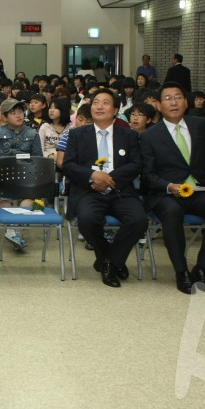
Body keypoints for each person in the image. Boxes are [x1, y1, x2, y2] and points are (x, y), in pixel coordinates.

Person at [140, 81, 205, 294]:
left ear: (186, 102)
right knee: (172, 213)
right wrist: (168, 186)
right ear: (159, 105)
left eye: (178, 97)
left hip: (199, 189)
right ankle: (181, 271)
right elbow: (147, 175)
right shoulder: (150, 135)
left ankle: (202, 268)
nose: (173, 102)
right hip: (167, 194)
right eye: (168, 98)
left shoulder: (198, 124)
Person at [63, 88, 146, 288]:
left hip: (120, 190)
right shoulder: (76, 135)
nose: (99, 106)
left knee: (139, 220)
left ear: (116, 110)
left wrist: (108, 178)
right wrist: (92, 176)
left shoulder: (129, 135)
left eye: (105, 103)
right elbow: (68, 165)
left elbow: (136, 165)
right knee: (88, 219)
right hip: (88, 190)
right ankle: (112, 260)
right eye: (96, 102)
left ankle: (108, 261)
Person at [0, 98, 43, 252]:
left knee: (29, 192)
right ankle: (12, 231)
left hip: (26, 172)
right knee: (0, 183)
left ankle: (14, 231)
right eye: (13, 113)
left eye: (20, 112)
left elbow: (38, 158)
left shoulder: (32, 133)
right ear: (4, 117)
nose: (18, 115)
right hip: (3, 171)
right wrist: (0, 165)